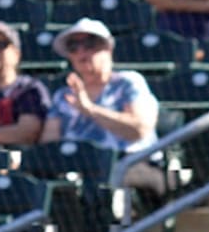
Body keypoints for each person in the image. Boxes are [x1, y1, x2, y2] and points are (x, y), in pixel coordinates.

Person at [40, 17, 160, 158]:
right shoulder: (63, 95)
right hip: (77, 167)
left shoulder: (128, 82)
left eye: (90, 44)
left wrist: (90, 109)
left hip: (128, 164)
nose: (81, 52)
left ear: (108, 49)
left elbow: (139, 129)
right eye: (73, 47)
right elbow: (48, 145)